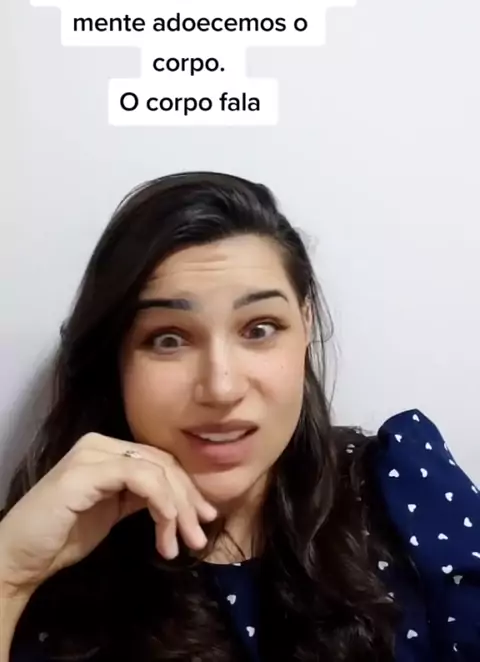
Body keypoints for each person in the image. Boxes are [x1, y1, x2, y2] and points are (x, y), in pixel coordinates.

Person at [0, 171, 479, 662]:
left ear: (305, 326)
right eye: (168, 339)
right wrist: (9, 576)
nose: (221, 388)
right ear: (115, 356)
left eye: (259, 329)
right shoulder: (49, 544)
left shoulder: (399, 488)